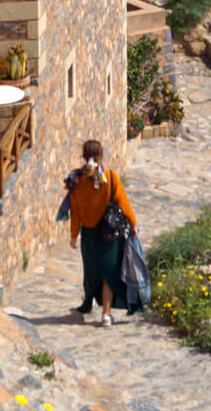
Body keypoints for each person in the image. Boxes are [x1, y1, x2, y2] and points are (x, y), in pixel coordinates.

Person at [66, 139, 137, 326]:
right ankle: (106, 315)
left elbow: (75, 212)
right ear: (101, 155)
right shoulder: (110, 177)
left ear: (83, 156)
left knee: (92, 271)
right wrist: (134, 224)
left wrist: (74, 235)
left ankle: (88, 303)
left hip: (88, 234)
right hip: (109, 234)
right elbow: (123, 202)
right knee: (108, 274)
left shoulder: (75, 180)